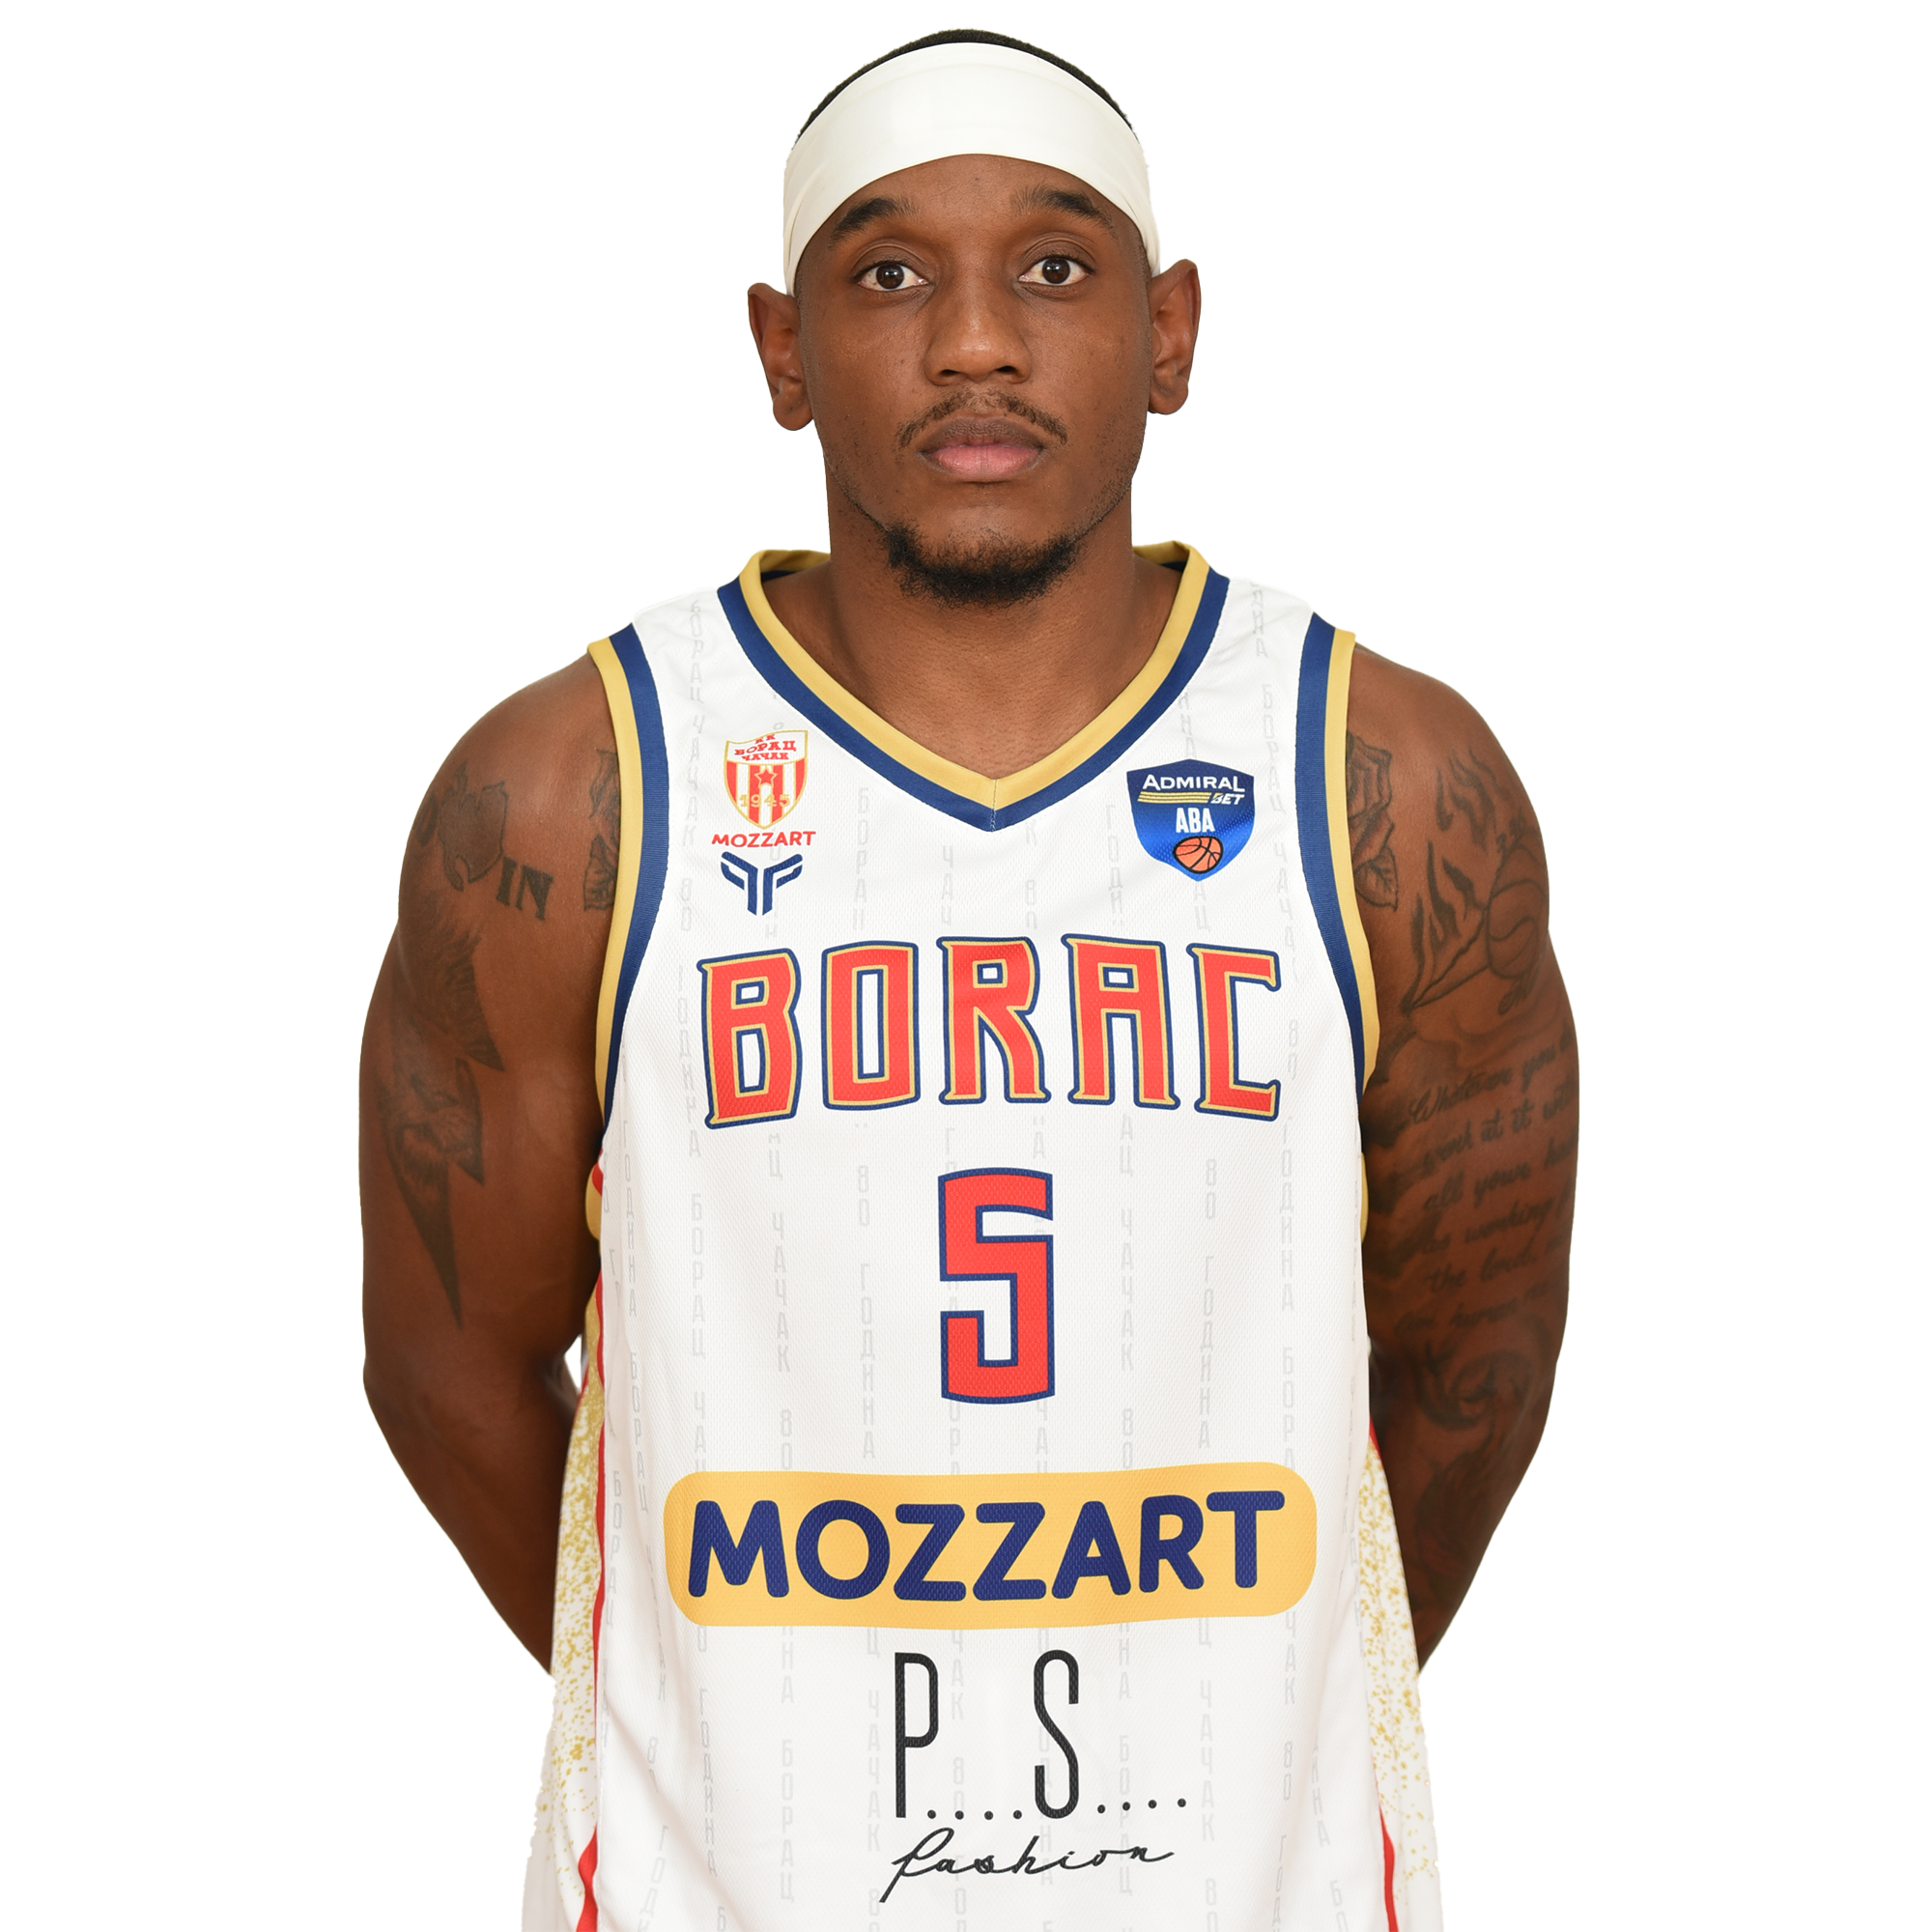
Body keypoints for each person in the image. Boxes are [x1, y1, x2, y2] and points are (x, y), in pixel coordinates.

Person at [359, 29, 1576, 1932]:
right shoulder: (570, 793)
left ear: (1169, 332)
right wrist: (703, 1714)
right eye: (889, 273)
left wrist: (1255, 1715)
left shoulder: (1384, 784)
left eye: (1057, 267)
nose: (977, 343)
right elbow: (443, 1359)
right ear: (783, 351)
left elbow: (1475, 1353)